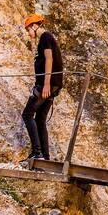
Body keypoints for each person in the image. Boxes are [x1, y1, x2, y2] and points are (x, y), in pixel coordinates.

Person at [21, 13, 63, 166]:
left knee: (27, 114)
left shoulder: (45, 37)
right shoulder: (47, 38)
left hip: (47, 84)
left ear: (33, 25)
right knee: (39, 119)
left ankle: (37, 152)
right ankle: (45, 156)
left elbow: (49, 59)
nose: (28, 33)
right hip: (54, 85)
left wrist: (45, 84)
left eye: (28, 29)